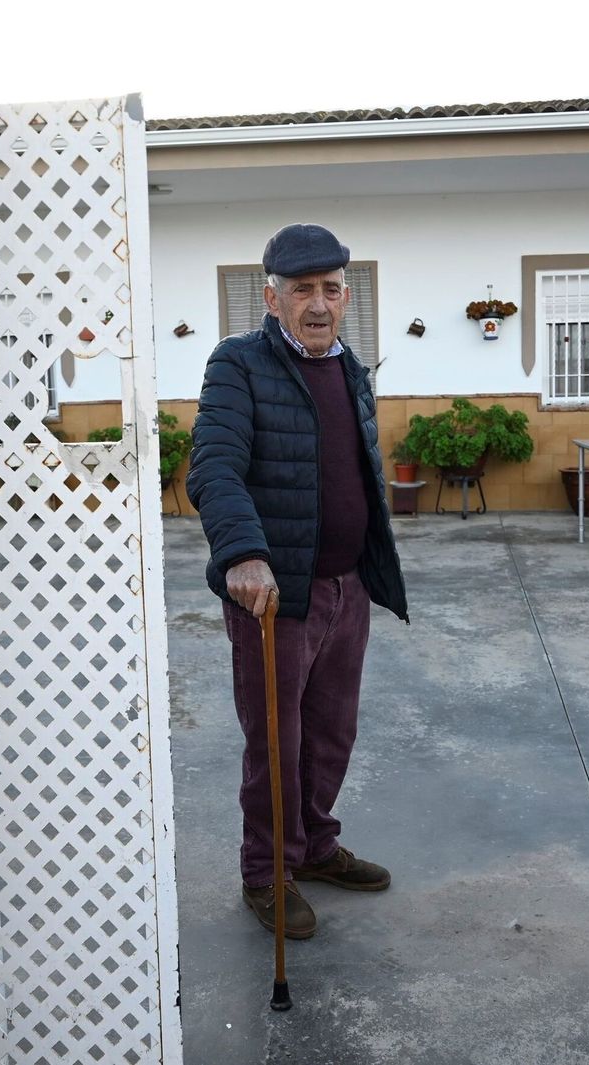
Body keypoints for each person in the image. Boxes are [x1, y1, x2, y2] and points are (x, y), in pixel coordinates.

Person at [186, 222, 408, 939]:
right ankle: (266, 872)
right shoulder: (238, 364)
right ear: (271, 295)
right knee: (275, 745)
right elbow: (213, 468)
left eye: (332, 289)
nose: (319, 304)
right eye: (303, 289)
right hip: (274, 598)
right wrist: (243, 553)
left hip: (347, 590)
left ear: (347, 294)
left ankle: (314, 847)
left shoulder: (352, 370)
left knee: (331, 733)